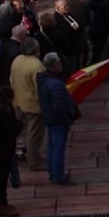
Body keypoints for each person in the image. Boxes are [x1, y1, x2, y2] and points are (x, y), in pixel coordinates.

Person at [37, 52, 78, 185]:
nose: (61, 64)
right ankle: (58, 176)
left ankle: (52, 171)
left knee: (52, 146)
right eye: (59, 62)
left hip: (49, 118)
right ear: (55, 64)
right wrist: (67, 117)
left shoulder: (43, 80)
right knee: (58, 149)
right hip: (58, 121)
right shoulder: (56, 84)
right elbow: (59, 106)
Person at [10, 37, 46, 172]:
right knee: (34, 134)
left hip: (18, 101)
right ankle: (34, 161)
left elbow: (12, 79)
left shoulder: (17, 60)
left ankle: (34, 156)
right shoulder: (37, 65)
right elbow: (40, 88)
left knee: (28, 131)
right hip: (33, 104)